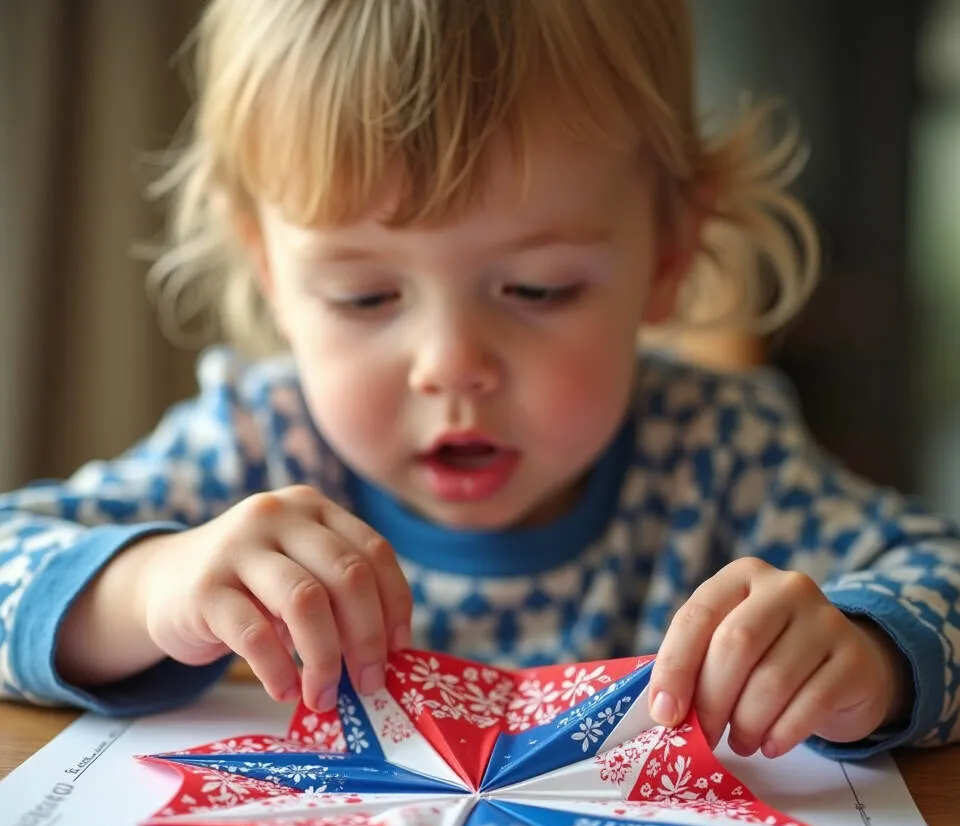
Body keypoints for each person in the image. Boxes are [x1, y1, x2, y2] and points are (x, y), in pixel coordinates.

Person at [0, 0, 957, 766]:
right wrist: (148, 586)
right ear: (270, 276)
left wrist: (869, 656)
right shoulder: (252, 446)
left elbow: (941, 578)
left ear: (669, 252)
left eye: (537, 288)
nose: (451, 364)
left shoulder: (717, 452)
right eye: (365, 294)